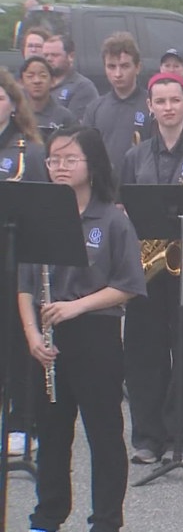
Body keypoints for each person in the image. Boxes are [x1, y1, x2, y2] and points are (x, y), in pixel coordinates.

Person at [17, 126, 146, 532]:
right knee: (53, 437)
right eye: (54, 159)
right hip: (48, 339)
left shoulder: (112, 220)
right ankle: (48, 515)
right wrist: (33, 336)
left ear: (92, 165)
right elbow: (24, 285)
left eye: (70, 159)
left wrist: (76, 307)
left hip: (95, 336)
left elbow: (128, 285)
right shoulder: (39, 217)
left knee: (104, 435)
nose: (60, 167)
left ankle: (106, 520)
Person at [119, 73, 183, 465]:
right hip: (147, 266)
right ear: (150, 106)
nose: (168, 107)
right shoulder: (134, 157)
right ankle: (148, 437)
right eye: (159, 101)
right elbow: (124, 211)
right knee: (144, 353)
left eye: (174, 100)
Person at [1, 67, 47, 459]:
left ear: (14, 106)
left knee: (17, 342)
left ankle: (22, 422)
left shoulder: (27, 152)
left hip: (15, 261)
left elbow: (40, 208)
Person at [82, 32, 150, 178]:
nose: (117, 74)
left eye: (124, 66)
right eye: (111, 67)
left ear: (138, 67)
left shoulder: (152, 106)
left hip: (139, 188)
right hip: (104, 191)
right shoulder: (94, 108)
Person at [44, 34, 99, 122]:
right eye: (45, 55)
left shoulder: (82, 87)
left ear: (71, 56)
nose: (49, 59)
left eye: (54, 55)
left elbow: (76, 127)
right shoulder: (39, 84)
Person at [21, 55, 76, 131]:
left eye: (43, 76)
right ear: (21, 82)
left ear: (52, 81)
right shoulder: (13, 115)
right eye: (30, 76)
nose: (37, 81)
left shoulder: (65, 117)